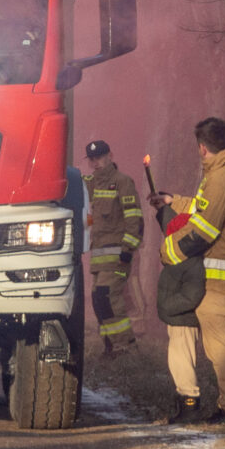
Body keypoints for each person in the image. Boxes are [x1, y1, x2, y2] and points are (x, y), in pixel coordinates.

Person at [155, 117, 225, 426]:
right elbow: (208, 207)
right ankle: (191, 402)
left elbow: (202, 231)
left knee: (219, 345)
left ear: (202, 147)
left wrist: (169, 251)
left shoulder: (223, 178)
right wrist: (174, 201)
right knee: (186, 329)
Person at [82, 140, 143, 351]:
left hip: (118, 255)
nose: (95, 163)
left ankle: (126, 347)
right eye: (91, 159)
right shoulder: (91, 183)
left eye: (99, 157)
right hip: (99, 257)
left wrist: (128, 249)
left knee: (108, 297)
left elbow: (134, 218)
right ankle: (110, 347)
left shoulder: (122, 182)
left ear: (110, 156)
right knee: (99, 301)